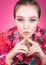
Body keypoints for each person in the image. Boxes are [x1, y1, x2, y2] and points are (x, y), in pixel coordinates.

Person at [0, 0, 46, 65]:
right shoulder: (2, 39)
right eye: (20, 19)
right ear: (15, 20)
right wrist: (9, 57)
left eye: (32, 20)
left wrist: (43, 58)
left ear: (38, 20)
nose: (26, 26)